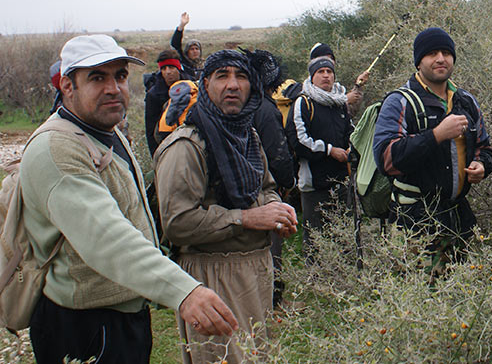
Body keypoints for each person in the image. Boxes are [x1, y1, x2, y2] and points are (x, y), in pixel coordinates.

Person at [19, 34, 237, 364]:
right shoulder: (56, 149)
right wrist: (183, 290)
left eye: (120, 76)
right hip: (83, 324)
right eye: (97, 77)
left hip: (122, 315)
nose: (113, 88)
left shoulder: (104, 130)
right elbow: (106, 238)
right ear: (67, 85)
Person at [154, 49, 298, 364]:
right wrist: (246, 218)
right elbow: (177, 222)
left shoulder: (248, 136)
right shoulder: (187, 146)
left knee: (255, 356)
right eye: (222, 76)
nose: (232, 85)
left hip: (256, 270)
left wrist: (279, 212)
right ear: (205, 85)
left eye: (241, 76)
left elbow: (267, 187)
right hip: (213, 274)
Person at [373, 28, 492, 275]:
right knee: (422, 304)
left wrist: (482, 166)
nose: (441, 58)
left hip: (458, 218)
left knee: (460, 296)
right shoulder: (400, 102)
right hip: (415, 222)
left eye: (446, 53)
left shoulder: (466, 101)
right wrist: (436, 135)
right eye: (432, 53)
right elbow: (387, 159)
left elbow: (484, 146)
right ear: (419, 61)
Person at [244, 47, 296, 306]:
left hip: (242, 189)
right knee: (272, 246)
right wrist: (287, 184)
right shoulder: (266, 109)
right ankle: (273, 301)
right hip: (267, 189)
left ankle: (256, 299)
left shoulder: (240, 105)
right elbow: (278, 152)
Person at [291, 54, 353, 253]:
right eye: (320, 72)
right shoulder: (303, 103)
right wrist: (329, 150)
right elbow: (298, 141)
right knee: (316, 240)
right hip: (314, 185)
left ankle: (346, 279)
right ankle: (316, 281)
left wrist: (351, 146)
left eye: (329, 72)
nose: (326, 76)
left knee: (344, 235)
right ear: (312, 76)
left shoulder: (340, 102)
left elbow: (348, 130)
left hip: (342, 181)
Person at [308, 42, 369, 116]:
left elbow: (349, 113)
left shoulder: (337, 90)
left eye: (331, 58)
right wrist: (345, 100)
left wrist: (358, 85)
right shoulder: (306, 96)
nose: (328, 62)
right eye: (321, 71)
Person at [144, 48, 184, 156]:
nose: (168, 72)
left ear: (178, 67)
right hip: (165, 145)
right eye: (164, 68)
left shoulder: (191, 86)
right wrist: (156, 157)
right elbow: (151, 131)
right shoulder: (153, 95)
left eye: (171, 67)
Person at [170, 11, 204, 80]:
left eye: (197, 49)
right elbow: (175, 44)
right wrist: (181, 26)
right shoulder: (184, 63)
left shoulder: (205, 64)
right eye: (192, 49)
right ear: (187, 51)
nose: (195, 51)